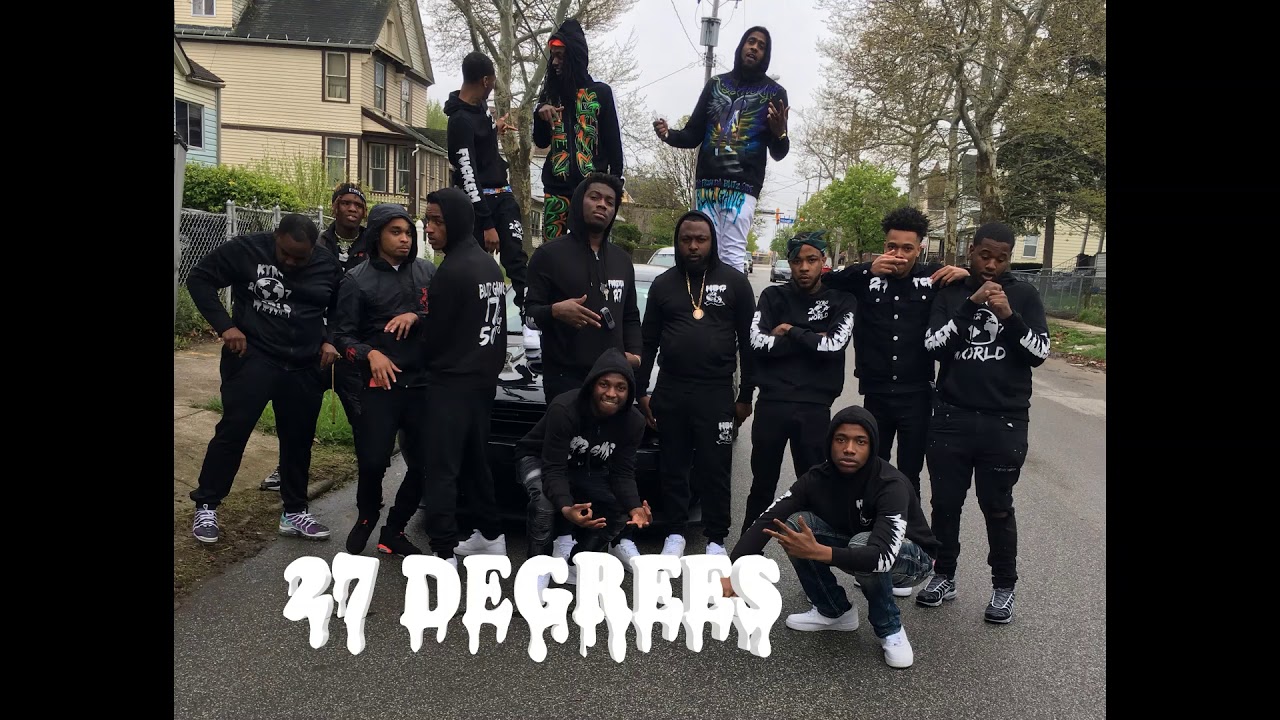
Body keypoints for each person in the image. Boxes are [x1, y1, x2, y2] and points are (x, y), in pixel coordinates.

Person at [725, 406, 940, 669]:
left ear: (872, 446)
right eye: (841, 439)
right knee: (795, 525)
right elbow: (769, 518)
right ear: (830, 442)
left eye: (860, 441)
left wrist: (820, 552)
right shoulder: (817, 477)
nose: (849, 449)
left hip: (912, 559)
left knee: (863, 545)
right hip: (858, 544)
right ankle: (834, 611)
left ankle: (890, 629)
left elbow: (881, 557)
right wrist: (733, 570)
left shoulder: (889, 483)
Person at [915, 222, 1050, 625]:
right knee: (945, 504)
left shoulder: (1024, 295)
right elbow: (933, 346)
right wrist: (971, 305)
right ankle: (944, 575)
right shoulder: (951, 293)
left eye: (1001, 258)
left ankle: (1004, 586)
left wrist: (1008, 315)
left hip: (1004, 421)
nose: (991, 265)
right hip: (951, 416)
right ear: (970, 251)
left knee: (997, 506)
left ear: (1009, 259)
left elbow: (1039, 353)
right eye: (984, 255)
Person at [186, 214, 341, 544]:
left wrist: (331, 340)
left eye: (300, 258)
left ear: (313, 249)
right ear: (275, 237)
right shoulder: (246, 250)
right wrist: (226, 326)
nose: (290, 262)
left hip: (303, 364)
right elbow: (199, 279)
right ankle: (207, 505)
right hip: (253, 357)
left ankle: (294, 512)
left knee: (298, 439)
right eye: (285, 254)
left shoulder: (327, 265)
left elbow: (341, 308)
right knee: (234, 431)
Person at [824, 206, 969, 500]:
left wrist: (967, 274)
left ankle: (908, 524)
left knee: (909, 472)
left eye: (907, 248)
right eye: (892, 247)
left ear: (920, 249)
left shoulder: (932, 278)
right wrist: (868, 268)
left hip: (916, 394)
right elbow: (827, 281)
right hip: (876, 392)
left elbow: (977, 287)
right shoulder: (865, 279)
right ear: (884, 246)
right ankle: (873, 521)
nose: (899, 255)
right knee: (873, 467)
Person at [636, 210, 756, 559]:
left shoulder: (735, 282)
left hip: (716, 391)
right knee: (672, 464)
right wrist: (641, 391)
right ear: (677, 242)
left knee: (714, 467)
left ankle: (716, 538)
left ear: (712, 242)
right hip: (671, 389)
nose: (693, 246)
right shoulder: (663, 284)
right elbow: (648, 341)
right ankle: (674, 532)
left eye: (700, 239)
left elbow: (750, 345)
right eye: (686, 239)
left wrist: (746, 395)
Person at [332, 204, 437, 557]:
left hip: (422, 384)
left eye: (408, 232)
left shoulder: (427, 272)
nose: (405, 239)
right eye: (396, 232)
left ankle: (394, 530)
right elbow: (341, 337)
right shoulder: (355, 280)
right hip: (380, 388)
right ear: (377, 235)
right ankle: (367, 515)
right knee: (374, 461)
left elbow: (445, 315)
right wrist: (369, 355)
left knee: (424, 463)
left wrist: (417, 316)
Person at [742, 231, 856, 537]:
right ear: (789, 263)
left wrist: (789, 331)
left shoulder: (841, 300)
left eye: (811, 260)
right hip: (772, 405)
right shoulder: (772, 296)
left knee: (815, 487)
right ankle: (746, 555)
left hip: (814, 409)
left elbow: (833, 346)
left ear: (823, 261)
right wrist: (812, 338)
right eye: (797, 261)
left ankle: (815, 559)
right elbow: (757, 343)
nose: (804, 267)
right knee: (762, 486)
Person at [512, 348, 651, 594]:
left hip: (583, 467)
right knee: (545, 503)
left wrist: (635, 508)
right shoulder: (565, 408)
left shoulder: (634, 422)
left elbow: (622, 473)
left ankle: (579, 562)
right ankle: (538, 567)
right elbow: (553, 468)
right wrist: (566, 508)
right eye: (604, 384)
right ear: (592, 385)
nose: (611, 393)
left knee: (619, 509)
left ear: (629, 392)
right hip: (538, 459)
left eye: (620, 387)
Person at [417, 188, 508, 567]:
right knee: (474, 461)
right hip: (482, 382)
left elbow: (434, 338)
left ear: (455, 221)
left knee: (441, 468)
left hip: (451, 383)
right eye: (428, 220)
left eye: (437, 221)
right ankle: (490, 535)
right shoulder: (487, 265)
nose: (429, 228)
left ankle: (443, 550)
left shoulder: (451, 271)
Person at [262, 181, 371, 492]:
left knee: (363, 414)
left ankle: (370, 470)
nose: (352, 209)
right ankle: (286, 470)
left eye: (358, 205)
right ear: (335, 206)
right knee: (297, 416)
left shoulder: (373, 243)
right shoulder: (316, 241)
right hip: (314, 343)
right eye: (346, 203)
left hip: (353, 344)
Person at [653, 26, 789, 273]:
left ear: (766, 55)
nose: (754, 48)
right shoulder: (716, 84)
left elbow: (779, 152)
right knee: (702, 252)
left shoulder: (775, 93)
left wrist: (780, 133)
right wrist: (668, 135)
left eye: (761, 46)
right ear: (741, 46)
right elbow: (693, 134)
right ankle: (699, 298)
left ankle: (731, 299)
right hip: (706, 186)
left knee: (732, 255)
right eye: (751, 41)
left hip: (743, 188)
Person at [523, 173, 642, 402]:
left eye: (610, 202)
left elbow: (630, 316)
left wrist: (635, 356)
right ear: (579, 201)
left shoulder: (622, 261)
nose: (602, 205)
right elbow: (529, 316)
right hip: (565, 380)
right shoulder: (548, 255)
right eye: (595, 197)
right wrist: (555, 311)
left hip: (612, 382)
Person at [444, 51, 529, 319]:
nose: (493, 86)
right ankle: (470, 321)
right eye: (492, 80)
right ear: (485, 80)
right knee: (475, 269)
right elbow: (468, 175)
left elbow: (481, 140)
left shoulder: (480, 106)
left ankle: (531, 319)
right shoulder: (460, 121)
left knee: (517, 260)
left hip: (503, 195)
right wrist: (488, 223)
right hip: (479, 205)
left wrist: (496, 128)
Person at [532, 18, 625, 241]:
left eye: (560, 56)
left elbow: (613, 143)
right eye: (553, 56)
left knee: (589, 250)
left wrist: (614, 187)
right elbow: (541, 142)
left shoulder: (600, 93)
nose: (555, 62)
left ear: (575, 56)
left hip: (592, 192)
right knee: (552, 251)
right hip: (556, 190)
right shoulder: (550, 95)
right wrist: (540, 114)